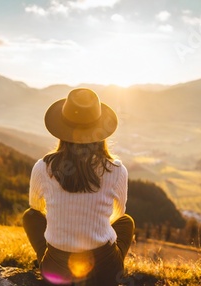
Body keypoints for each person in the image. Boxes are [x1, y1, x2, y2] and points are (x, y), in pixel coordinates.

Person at [22, 88, 135, 285]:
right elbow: (118, 213)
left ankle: (48, 266)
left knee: (30, 217)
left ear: (61, 130)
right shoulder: (117, 170)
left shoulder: (42, 168)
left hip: (58, 269)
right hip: (105, 273)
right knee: (126, 222)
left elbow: (36, 207)